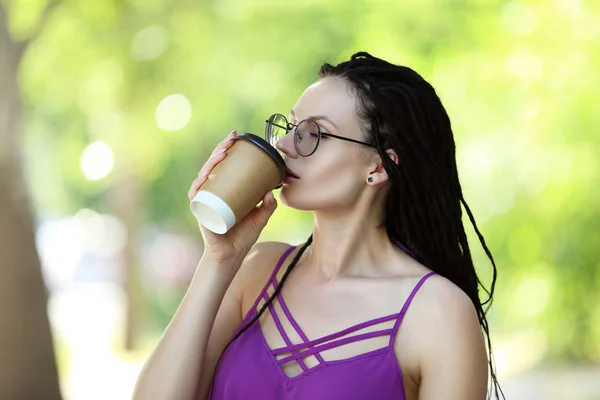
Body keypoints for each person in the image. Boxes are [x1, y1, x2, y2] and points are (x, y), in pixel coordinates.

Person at [132, 52, 503, 400]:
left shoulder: (438, 313)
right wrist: (218, 259)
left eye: (313, 133)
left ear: (378, 167)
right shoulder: (258, 271)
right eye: (290, 126)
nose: (283, 144)